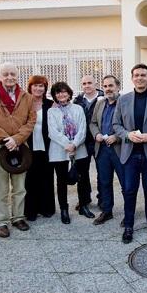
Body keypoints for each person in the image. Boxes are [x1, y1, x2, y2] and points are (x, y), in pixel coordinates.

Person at [0, 62, 36, 238]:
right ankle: (1, 221)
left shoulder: (27, 97)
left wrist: (17, 139)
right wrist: (5, 139)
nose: (9, 77)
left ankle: (18, 217)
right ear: (0, 76)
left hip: (21, 147)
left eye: (12, 74)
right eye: (5, 74)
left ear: (17, 76)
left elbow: (31, 121)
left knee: (20, 186)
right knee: (0, 187)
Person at [113, 64, 147, 244]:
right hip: (129, 154)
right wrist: (127, 135)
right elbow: (116, 125)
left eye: (143, 75)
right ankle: (129, 225)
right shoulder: (123, 100)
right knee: (129, 191)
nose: (139, 78)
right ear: (132, 78)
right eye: (136, 75)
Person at [47, 82, 89, 224]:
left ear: (69, 93)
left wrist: (75, 144)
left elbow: (83, 129)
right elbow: (52, 132)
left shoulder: (78, 108)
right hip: (59, 151)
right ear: (54, 95)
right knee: (61, 181)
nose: (61, 94)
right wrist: (67, 144)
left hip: (79, 149)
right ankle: (64, 210)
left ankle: (83, 206)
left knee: (82, 178)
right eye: (58, 92)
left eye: (64, 92)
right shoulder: (51, 112)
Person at [90, 75, 124, 225]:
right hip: (102, 150)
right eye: (105, 86)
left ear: (118, 86)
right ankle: (107, 211)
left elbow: (130, 125)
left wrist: (117, 137)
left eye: (111, 86)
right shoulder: (100, 104)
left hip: (120, 150)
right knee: (104, 182)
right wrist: (96, 133)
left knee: (126, 183)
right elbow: (93, 123)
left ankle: (128, 213)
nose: (108, 89)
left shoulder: (125, 103)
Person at [24, 75, 55, 220]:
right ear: (30, 87)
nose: (38, 88)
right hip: (28, 147)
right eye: (35, 85)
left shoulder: (50, 104)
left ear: (45, 88)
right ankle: (31, 211)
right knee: (30, 179)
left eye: (41, 86)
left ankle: (46, 208)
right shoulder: (23, 104)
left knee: (47, 177)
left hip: (47, 147)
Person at [73, 75, 100, 215]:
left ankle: (102, 198)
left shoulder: (103, 98)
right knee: (82, 173)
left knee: (102, 172)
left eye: (90, 83)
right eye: (84, 83)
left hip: (99, 140)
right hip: (83, 141)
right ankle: (84, 198)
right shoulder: (77, 101)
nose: (87, 85)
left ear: (95, 84)